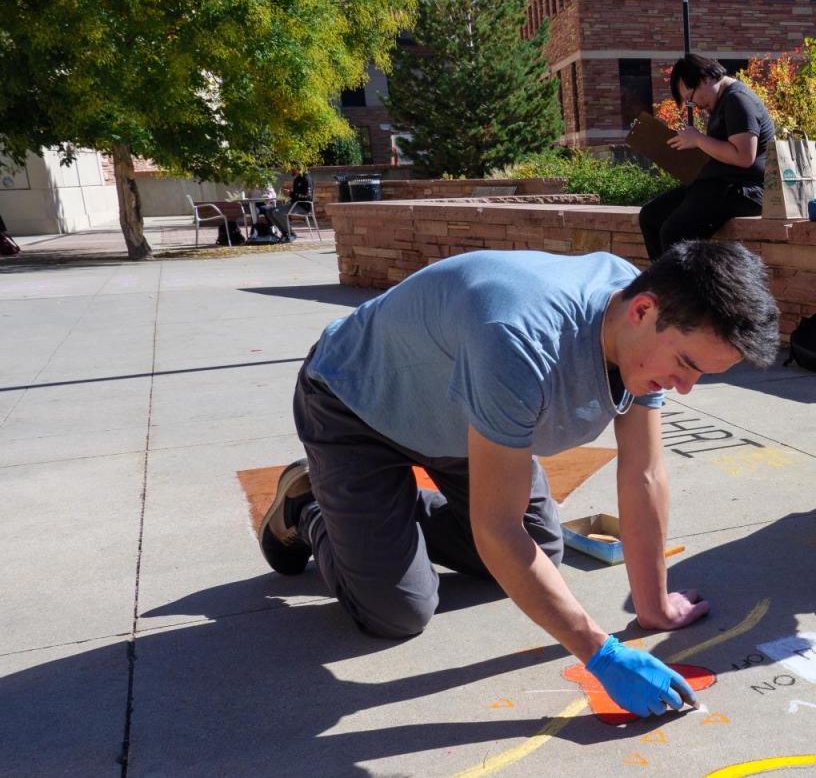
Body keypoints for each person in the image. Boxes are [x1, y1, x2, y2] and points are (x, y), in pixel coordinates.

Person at [258, 241, 780, 717]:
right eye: (686, 364)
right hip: (359, 404)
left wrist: (654, 606)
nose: (685, 389)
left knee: (538, 555)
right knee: (397, 610)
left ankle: (379, 513)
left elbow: (642, 471)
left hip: (467, 422)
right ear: (644, 311)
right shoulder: (520, 339)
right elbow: (498, 529)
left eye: (700, 375)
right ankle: (311, 507)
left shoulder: (635, 318)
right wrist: (602, 653)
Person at [638, 55, 776, 260]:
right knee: (650, 217)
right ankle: (663, 287)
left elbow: (745, 156)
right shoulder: (722, 101)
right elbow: (720, 150)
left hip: (745, 190)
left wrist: (699, 139)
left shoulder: (738, 100)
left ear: (705, 79)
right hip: (720, 184)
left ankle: (681, 290)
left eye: (690, 98)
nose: (694, 105)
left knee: (674, 233)